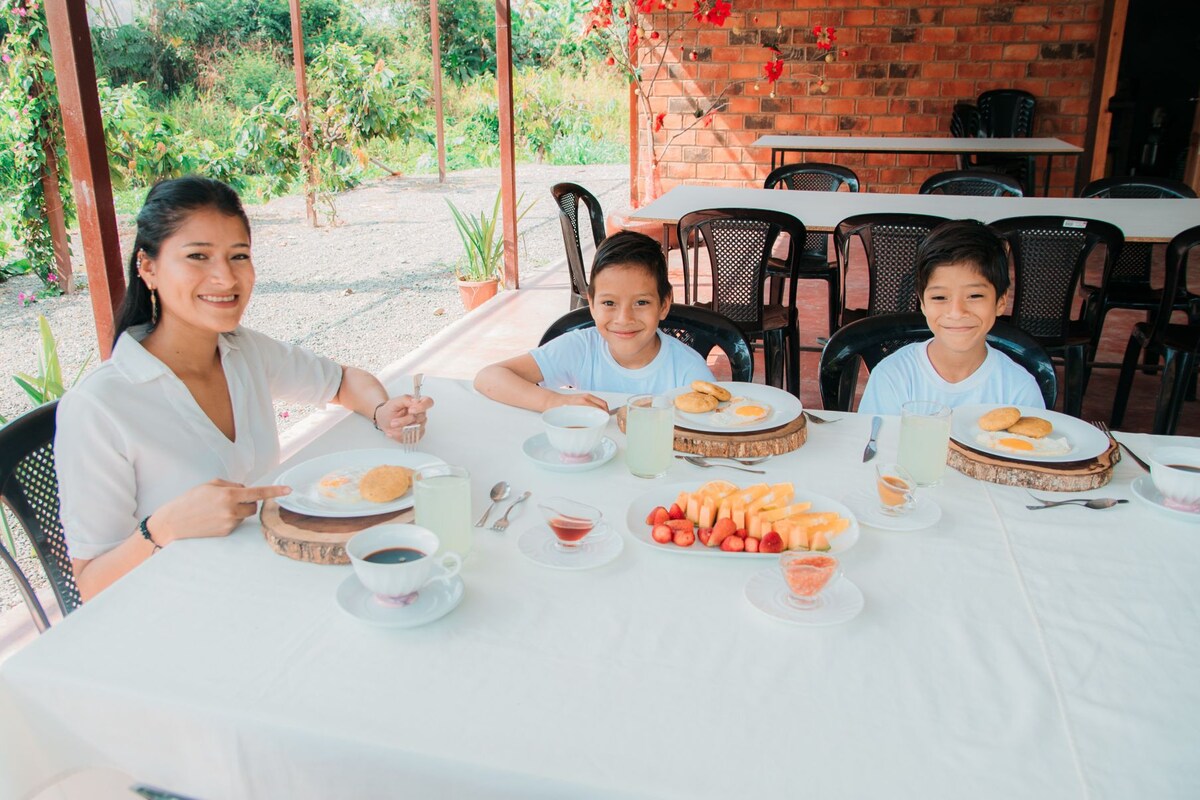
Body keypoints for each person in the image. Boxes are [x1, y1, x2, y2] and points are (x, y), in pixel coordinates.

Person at [55, 176, 434, 601]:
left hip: (265, 579)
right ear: (148, 267)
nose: (225, 277)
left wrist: (382, 411)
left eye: (239, 256)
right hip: (179, 606)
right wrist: (164, 527)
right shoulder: (99, 406)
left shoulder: (242, 351)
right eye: (198, 256)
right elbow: (89, 585)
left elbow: (345, 381)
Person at [474, 230, 714, 412]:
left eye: (641, 302)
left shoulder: (687, 369)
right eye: (609, 303)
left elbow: (716, 422)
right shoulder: (581, 349)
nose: (624, 318)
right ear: (591, 303)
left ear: (664, 304)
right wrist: (555, 401)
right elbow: (488, 377)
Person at [857, 219, 1045, 416]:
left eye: (975, 296)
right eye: (939, 297)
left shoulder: (1019, 390)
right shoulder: (893, 376)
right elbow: (874, 441)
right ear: (922, 302)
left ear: (1000, 301)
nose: (956, 312)